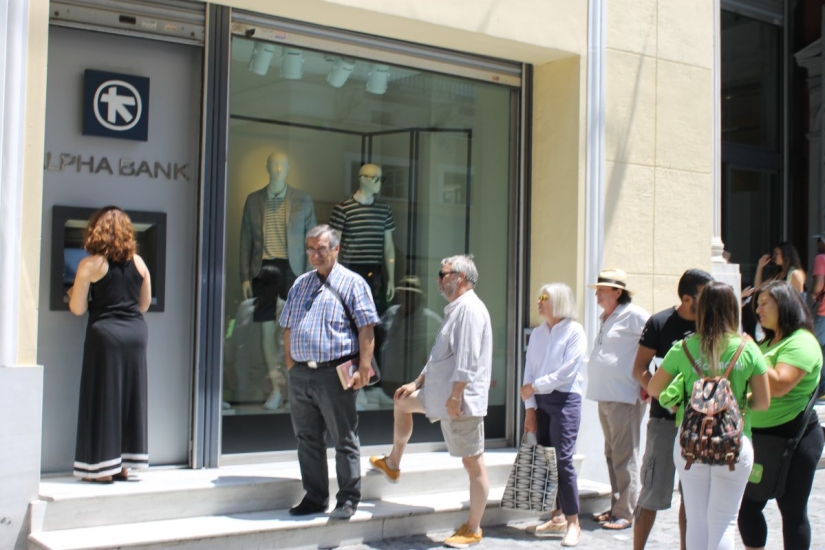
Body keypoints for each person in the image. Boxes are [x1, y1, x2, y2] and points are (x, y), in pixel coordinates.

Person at [368, 255, 492, 548]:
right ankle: (393, 463)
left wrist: (455, 396)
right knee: (403, 402)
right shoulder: (455, 309)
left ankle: (473, 528)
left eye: (442, 273)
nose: (438, 279)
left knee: (474, 465)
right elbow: (439, 356)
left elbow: (467, 360)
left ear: (459, 277)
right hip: (441, 392)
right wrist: (416, 383)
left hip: (458, 400)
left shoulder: (470, 309)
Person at [648, 281, 771, 550]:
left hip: (690, 443)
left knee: (697, 521)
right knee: (724, 522)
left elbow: (654, 387)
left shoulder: (684, 347)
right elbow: (763, 402)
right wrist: (735, 402)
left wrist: (683, 399)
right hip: (734, 443)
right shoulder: (748, 349)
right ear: (733, 310)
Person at [279, 224, 379, 520]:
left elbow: (366, 328)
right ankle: (314, 496)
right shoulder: (300, 284)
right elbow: (287, 325)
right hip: (301, 373)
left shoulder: (353, 283)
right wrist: (289, 362)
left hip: (334, 373)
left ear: (336, 248)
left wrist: (363, 368)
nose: (314, 254)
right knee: (307, 437)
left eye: (321, 248)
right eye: (310, 248)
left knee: (343, 437)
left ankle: (348, 498)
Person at [737, 281, 824, 550]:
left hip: (794, 441)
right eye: (757, 304)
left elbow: (778, 384)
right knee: (747, 507)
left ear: (784, 304)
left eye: (764, 303)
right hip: (758, 438)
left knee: (792, 511)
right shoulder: (767, 343)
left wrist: (750, 351)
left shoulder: (802, 342)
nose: (758, 310)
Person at [68, 206, 152, 483]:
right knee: (130, 398)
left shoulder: (90, 264)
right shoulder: (140, 263)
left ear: (96, 231)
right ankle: (124, 466)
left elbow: (78, 308)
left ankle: (101, 470)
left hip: (105, 337)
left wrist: (74, 292)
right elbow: (143, 305)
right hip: (135, 336)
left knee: (104, 398)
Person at [632, 269, 713, 550]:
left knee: (692, 497)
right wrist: (659, 393)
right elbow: (639, 368)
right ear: (689, 298)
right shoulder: (660, 322)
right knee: (652, 490)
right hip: (664, 422)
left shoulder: (711, 325)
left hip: (701, 422)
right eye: (706, 294)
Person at [520, 283, 587, 547]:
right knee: (546, 458)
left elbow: (567, 372)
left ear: (558, 301)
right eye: (539, 297)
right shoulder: (538, 333)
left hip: (565, 399)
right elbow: (529, 369)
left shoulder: (574, 331)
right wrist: (530, 407)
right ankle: (556, 516)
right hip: (541, 400)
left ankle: (574, 523)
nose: (539, 301)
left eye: (545, 298)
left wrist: (534, 388)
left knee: (564, 460)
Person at [585, 268, 650, 530]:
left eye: (602, 289)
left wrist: (649, 380)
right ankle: (616, 506)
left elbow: (657, 339)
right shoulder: (608, 317)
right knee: (612, 454)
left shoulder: (634, 315)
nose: (597, 294)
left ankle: (625, 512)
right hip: (607, 395)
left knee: (624, 456)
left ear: (617, 292)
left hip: (624, 395)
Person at [239, 150, 317, 303]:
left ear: (288, 169)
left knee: (292, 317)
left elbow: (312, 239)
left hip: (292, 267)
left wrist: (310, 275)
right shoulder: (253, 200)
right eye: (275, 165)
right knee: (265, 318)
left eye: (282, 165)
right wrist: (244, 278)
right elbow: (245, 241)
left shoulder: (303, 200)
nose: (279, 169)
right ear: (267, 168)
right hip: (262, 265)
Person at [329, 163, 396, 312]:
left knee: (375, 315)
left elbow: (389, 247)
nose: (379, 183)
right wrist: (334, 275)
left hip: (376, 272)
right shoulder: (343, 208)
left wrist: (391, 277)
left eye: (381, 179)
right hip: (350, 269)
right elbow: (334, 245)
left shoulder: (384, 210)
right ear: (363, 179)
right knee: (350, 315)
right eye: (375, 179)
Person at [377, 275, 443, 394]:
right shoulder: (391, 312)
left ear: (418, 297)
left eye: (411, 294)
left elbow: (444, 345)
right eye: (403, 293)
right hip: (386, 379)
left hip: (410, 382)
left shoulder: (430, 320)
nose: (406, 297)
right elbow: (379, 334)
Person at [810, 234, 825, 397]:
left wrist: (815, 293)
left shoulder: (821, 258)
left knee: (818, 347)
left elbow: (819, 285)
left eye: (819, 241)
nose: (817, 244)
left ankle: (821, 386)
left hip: (824, 312)